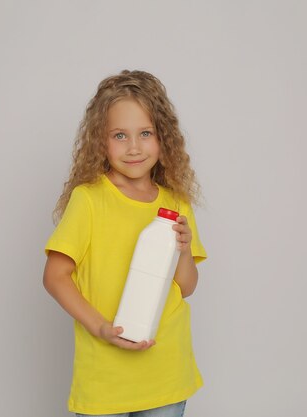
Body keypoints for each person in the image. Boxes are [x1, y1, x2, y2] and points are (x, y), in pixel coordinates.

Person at [43, 70, 207, 417]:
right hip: (106, 375)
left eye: (145, 133)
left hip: (165, 372)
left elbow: (187, 287)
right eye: (120, 135)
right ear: (100, 142)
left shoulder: (176, 203)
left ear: (163, 138)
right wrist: (100, 327)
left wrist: (183, 250)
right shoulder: (88, 200)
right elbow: (55, 277)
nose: (134, 147)